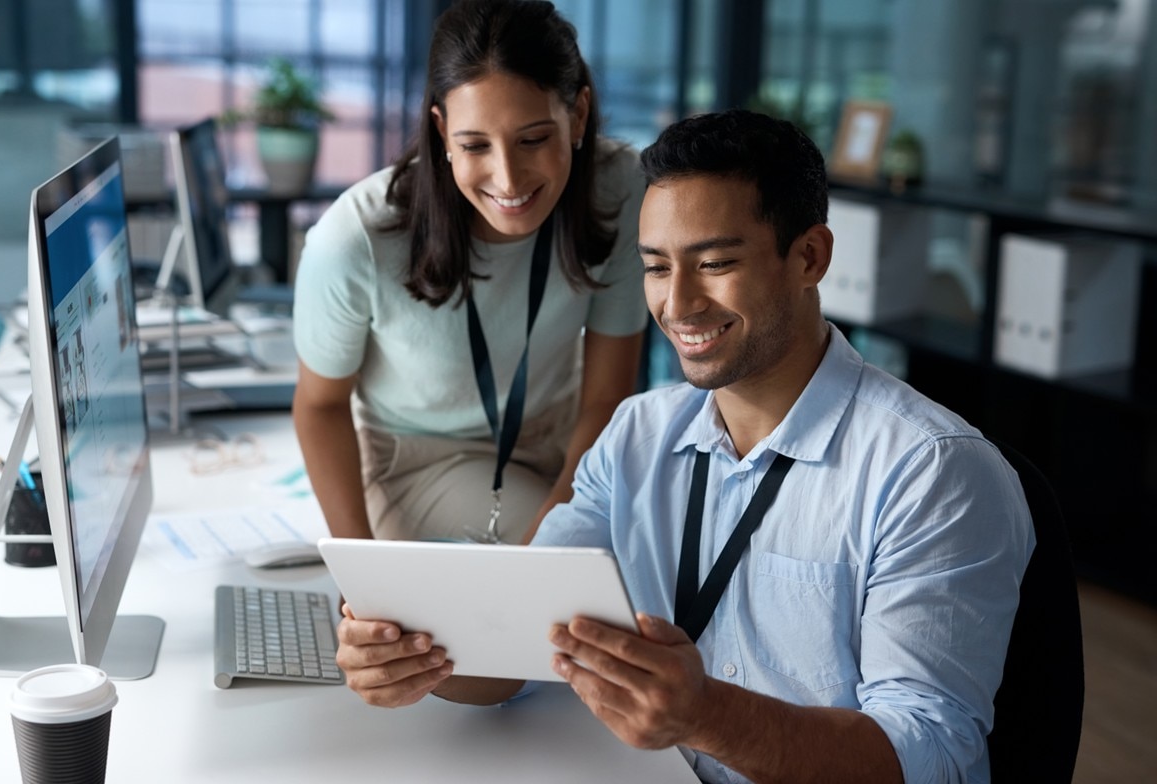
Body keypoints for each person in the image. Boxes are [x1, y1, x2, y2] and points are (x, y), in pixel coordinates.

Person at [333, 109, 1035, 784]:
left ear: (810, 258)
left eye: (716, 262)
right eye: (658, 268)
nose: (680, 304)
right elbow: (525, 644)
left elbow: (930, 759)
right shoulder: (638, 434)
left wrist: (705, 715)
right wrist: (420, 660)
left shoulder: (935, 473)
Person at [292, 0, 646, 545]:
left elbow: (607, 396)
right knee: (601, 576)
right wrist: (361, 573)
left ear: (577, 115)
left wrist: (559, 521)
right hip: (422, 460)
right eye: (474, 144)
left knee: (661, 568)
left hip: (566, 441)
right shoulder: (354, 238)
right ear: (441, 131)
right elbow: (320, 406)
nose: (508, 179)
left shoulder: (621, 187)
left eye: (533, 140)